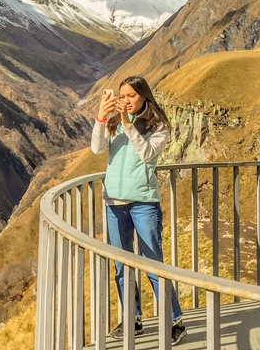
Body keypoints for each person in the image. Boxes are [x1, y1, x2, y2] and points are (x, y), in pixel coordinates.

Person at [92, 76, 187, 345]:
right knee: (122, 267)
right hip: (114, 203)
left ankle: (174, 321)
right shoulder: (115, 123)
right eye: (122, 96)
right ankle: (133, 318)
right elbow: (97, 148)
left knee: (153, 264)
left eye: (130, 96)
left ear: (144, 96)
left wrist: (127, 125)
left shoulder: (159, 126)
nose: (125, 101)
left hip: (144, 203)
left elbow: (147, 153)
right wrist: (101, 118)